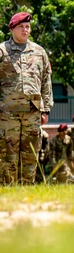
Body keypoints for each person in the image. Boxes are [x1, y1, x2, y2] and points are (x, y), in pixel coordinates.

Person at [0, 12, 54, 185]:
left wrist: (45, 109)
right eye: (21, 27)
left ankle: (27, 190)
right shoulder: (2, 51)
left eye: (27, 27)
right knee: (8, 155)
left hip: (32, 113)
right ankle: (8, 191)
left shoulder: (39, 52)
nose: (25, 30)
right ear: (12, 29)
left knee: (30, 155)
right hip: (7, 114)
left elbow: (46, 81)